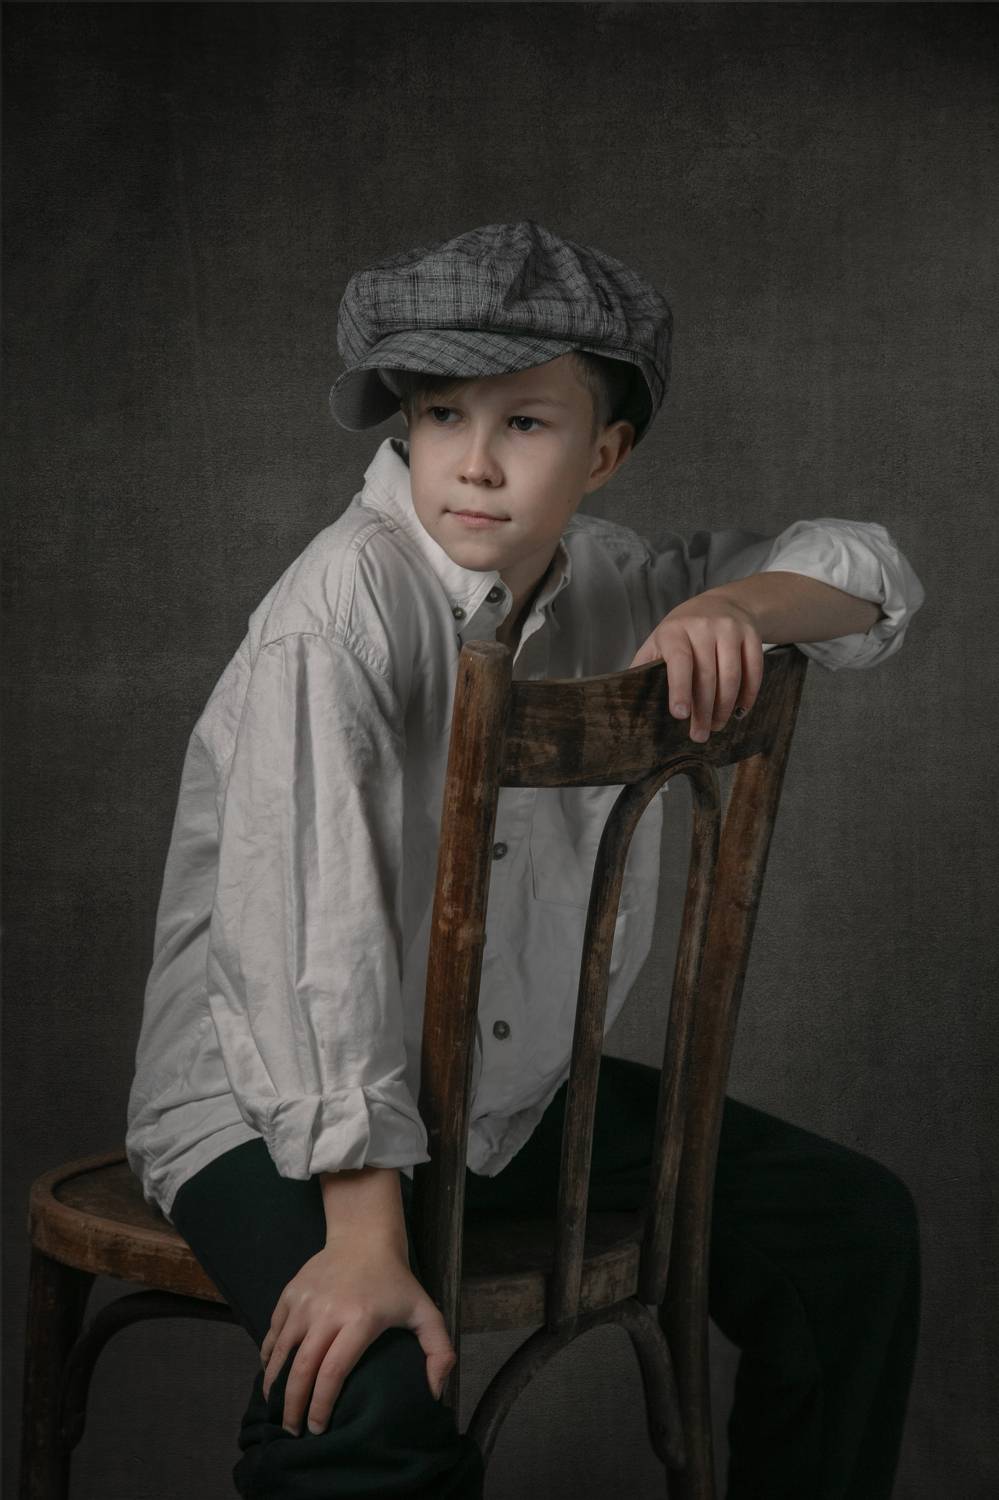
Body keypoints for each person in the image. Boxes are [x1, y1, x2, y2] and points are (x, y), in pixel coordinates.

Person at [125, 220, 925, 1500]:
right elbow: (306, 944)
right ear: (405, 424)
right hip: (271, 1108)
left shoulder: (616, 579)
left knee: (850, 1229)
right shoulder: (339, 609)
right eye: (444, 414)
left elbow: (866, 570)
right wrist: (365, 1237)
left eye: (528, 423)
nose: (477, 462)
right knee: (367, 1384)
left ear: (605, 452)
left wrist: (734, 605)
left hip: (497, 1094)